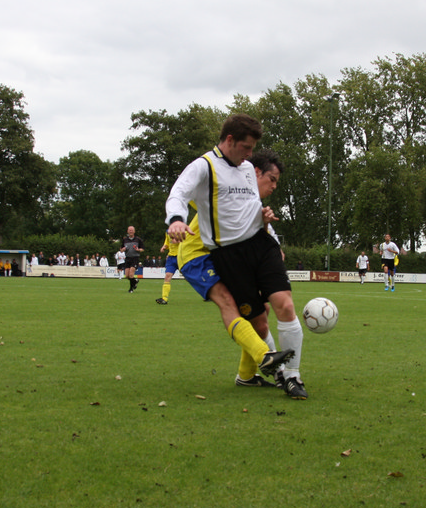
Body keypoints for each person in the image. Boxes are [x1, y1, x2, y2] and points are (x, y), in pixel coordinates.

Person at [167, 115, 306, 399]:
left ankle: (291, 377)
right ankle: (268, 364)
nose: (250, 154)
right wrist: (176, 220)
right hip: (223, 255)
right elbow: (178, 193)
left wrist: (267, 225)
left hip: (260, 245)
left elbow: (250, 206)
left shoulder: (246, 169)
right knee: (249, 314)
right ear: (229, 140)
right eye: (246, 147)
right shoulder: (204, 166)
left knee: (282, 305)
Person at [156, 233, 180, 305]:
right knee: (167, 276)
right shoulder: (168, 232)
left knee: (191, 277)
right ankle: (164, 298)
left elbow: (187, 242)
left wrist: (178, 240)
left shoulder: (183, 230)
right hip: (171, 258)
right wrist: (164, 247)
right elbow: (167, 243)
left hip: (181, 257)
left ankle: (207, 293)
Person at [120, 227, 144, 292]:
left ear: (134, 231)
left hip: (135, 258)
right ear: (127, 231)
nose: (131, 231)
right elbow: (121, 249)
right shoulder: (125, 240)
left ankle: (131, 289)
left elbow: (142, 249)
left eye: (132, 230)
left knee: (131, 274)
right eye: (130, 230)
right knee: (127, 275)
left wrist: (138, 250)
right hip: (127, 258)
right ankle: (135, 281)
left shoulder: (138, 239)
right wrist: (123, 249)